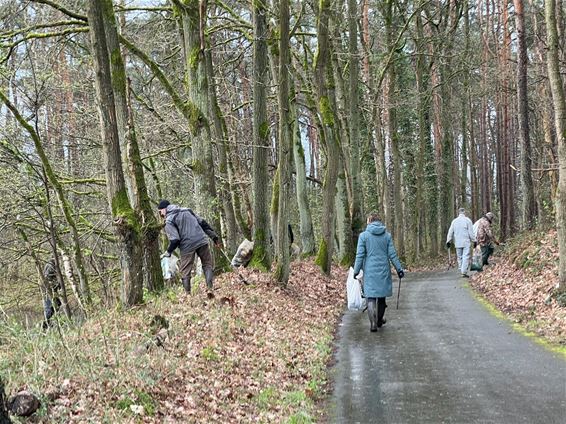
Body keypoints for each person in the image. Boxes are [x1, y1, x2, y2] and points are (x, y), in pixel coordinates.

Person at [353, 213, 404, 332]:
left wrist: (356, 271)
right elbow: (392, 254)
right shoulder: (387, 236)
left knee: (370, 297)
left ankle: (373, 324)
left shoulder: (363, 236)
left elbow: (359, 255)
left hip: (370, 271)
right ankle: (379, 320)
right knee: (381, 298)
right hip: (383, 270)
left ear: (369, 221)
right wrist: (399, 269)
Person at [158, 200, 220, 294]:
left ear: (164, 209)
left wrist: (168, 251)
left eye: (160, 212)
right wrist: (214, 237)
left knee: (185, 271)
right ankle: (210, 288)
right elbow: (203, 223)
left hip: (187, 246)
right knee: (207, 264)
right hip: (201, 240)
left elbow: (175, 240)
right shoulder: (187, 210)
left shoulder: (169, 220)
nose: (161, 214)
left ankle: (187, 295)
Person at [446, 207, 476, 278]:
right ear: (464, 212)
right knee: (465, 256)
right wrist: (474, 240)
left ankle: (462, 269)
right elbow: (471, 233)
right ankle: (463, 272)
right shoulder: (468, 220)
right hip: (466, 242)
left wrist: (448, 240)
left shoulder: (454, 221)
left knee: (459, 257)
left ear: (458, 213)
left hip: (457, 242)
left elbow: (450, 232)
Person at [42, 257, 61, 329]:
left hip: (48, 290)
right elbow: (48, 277)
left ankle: (47, 323)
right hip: (49, 291)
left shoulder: (50, 265)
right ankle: (45, 323)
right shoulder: (50, 266)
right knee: (53, 305)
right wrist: (57, 285)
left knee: (55, 305)